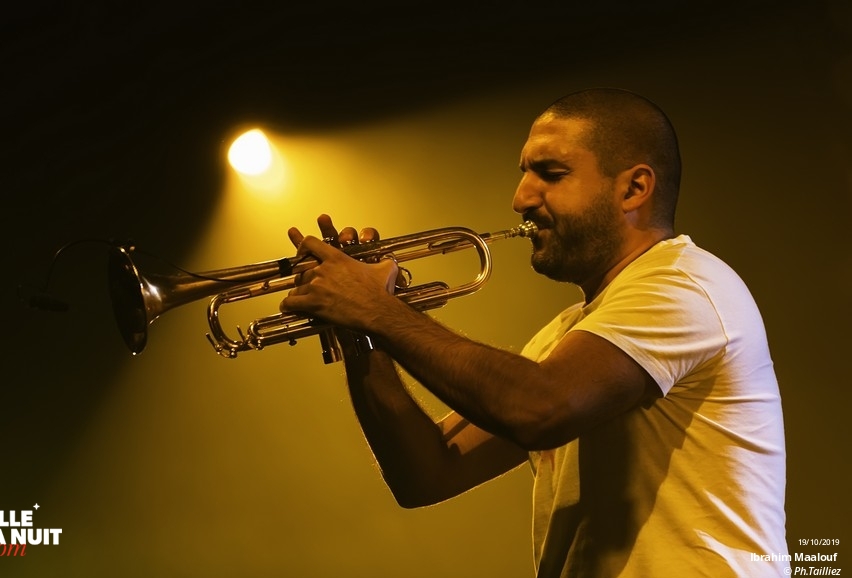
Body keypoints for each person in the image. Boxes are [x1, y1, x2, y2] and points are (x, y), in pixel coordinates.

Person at [279, 88, 788, 577]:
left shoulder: (682, 286)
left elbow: (539, 409)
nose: (521, 198)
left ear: (633, 188)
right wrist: (362, 335)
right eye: (524, 174)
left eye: (551, 174)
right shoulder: (563, 336)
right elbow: (426, 475)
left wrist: (377, 311)